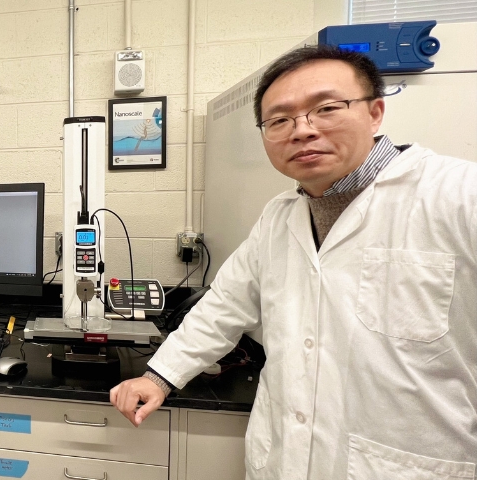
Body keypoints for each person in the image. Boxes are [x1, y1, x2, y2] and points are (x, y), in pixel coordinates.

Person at [111, 45, 477, 478]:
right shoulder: (279, 216)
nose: (302, 130)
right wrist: (158, 377)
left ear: (375, 112)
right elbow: (223, 307)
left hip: (405, 465)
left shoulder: (459, 197)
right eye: (280, 120)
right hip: (284, 460)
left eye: (326, 108)